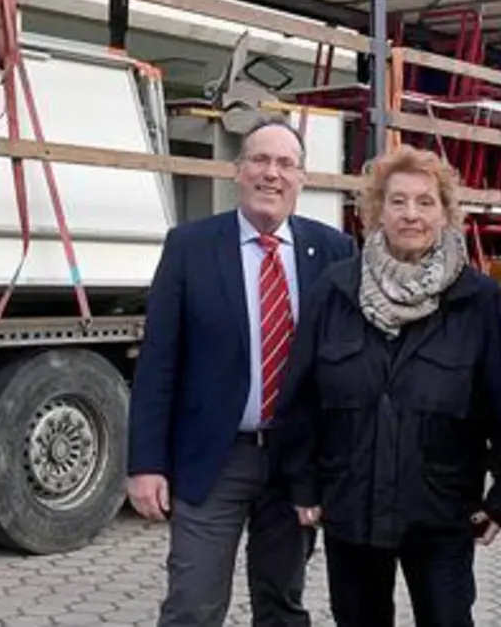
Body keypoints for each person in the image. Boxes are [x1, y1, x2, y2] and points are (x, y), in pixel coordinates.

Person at [275, 144, 501, 627]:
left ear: (445, 213)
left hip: (443, 511)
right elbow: (301, 396)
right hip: (351, 506)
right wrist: (303, 485)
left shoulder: (478, 300)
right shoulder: (336, 288)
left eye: (425, 202)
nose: (411, 214)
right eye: (398, 201)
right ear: (376, 211)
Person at [127, 116, 358, 627]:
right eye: (259, 159)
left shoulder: (335, 253)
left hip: (295, 464)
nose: (270, 173)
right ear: (237, 171)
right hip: (215, 457)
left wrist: (333, 469)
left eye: (284, 163)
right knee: (192, 604)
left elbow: (345, 369)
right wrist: (145, 463)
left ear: (303, 178)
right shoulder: (189, 246)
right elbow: (159, 361)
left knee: (281, 605)